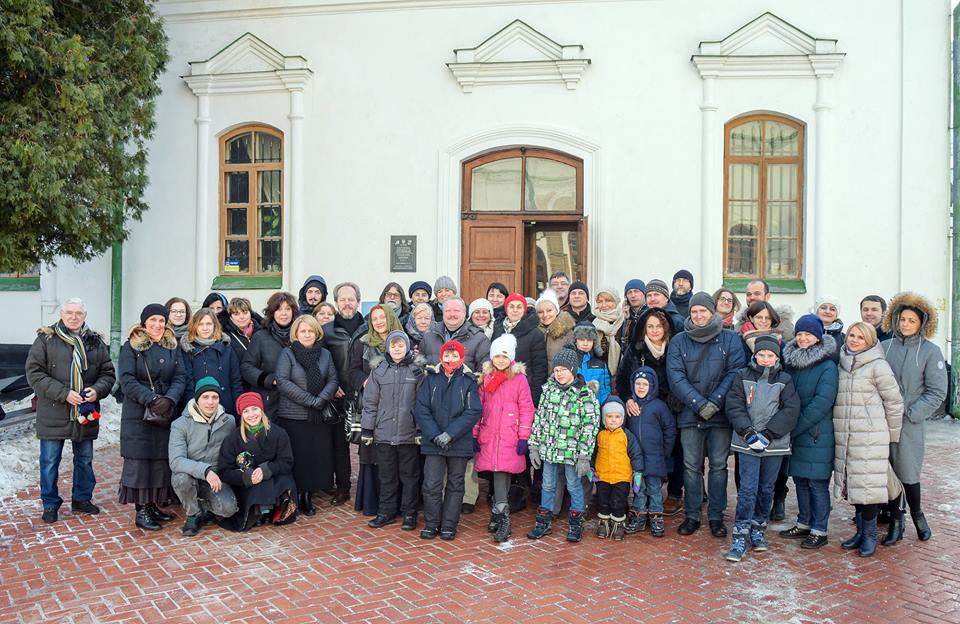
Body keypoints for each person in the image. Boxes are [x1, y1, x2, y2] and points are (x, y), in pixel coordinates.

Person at [25, 298, 116, 523]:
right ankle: (50, 504)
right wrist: (64, 393)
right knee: (49, 461)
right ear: (62, 314)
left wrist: (97, 390)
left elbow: (108, 373)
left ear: (84, 315)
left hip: (85, 412)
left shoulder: (95, 342)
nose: (73, 317)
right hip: (53, 410)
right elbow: (34, 374)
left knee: (84, 459)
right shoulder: (46, 339)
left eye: (78, 313)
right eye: (69, 312)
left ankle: (82, 499)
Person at [667, 292, 746, 538]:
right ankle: (692, 514)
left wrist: (715, 402)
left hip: (720, 416)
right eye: (694, 311)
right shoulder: (679, 341)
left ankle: (715, 515)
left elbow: (735, 372)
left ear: (712, 312)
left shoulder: (730, 339)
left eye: (703, 311)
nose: (698, 315)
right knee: (691, 466)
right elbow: (676, 376)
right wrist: (699, 403)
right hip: (691, 413)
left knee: (719, 466)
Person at [723, 335, 800, 562]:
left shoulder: (785, 380)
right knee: (747, 488)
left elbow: (790, 410)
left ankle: (758, 528)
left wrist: (768, 434)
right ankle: (740, 533)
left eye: (770, 355)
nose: (766, 359)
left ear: (777, 357)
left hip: (773, 445)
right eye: (762, 354)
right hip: (747, 443)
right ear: (755, 355)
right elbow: (734, 405)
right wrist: (747, 432)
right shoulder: (742, 376)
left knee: (766, 488)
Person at [881, 292, 947, 543]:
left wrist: (912, 413)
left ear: (922, 324)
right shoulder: (885, 347)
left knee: (908, 472)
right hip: (884, 420)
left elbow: (937, 390)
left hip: (909, 422)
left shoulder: (930, 351)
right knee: (889, 472)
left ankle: (917, 513)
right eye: (902, 319)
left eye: (912, 320)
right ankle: (897, 520)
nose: (905, 324)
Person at [834, 321, 904, 557]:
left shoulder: (878, 366)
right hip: (847, 433)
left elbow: (894, 402)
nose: (854, 340)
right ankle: (861, 532)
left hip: (871, 435)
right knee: (854, 483)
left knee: (868, 487)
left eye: (860, 337)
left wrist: (891, 437)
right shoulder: (842, 363)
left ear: (870, 341)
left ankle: (870, 534)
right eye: (852, 335)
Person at [117, 303, 187, 530]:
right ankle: (141, 510)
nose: (157, 325)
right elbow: (127, 380)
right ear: (144, 322)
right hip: (139, 413)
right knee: (141, 463)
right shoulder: (131, 347)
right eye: (153, 320)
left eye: (161, 321)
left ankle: (154, 504)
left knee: (160, 462)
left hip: (165, 412)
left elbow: (180, 377)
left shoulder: (172, 346)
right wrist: (151, 399)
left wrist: (170, 399)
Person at [527, 348, 600, 543]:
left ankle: (576, 522)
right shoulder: (548, 390)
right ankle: (544, 521)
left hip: (572, 452)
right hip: (550, 449)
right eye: (556, 369)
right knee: (548, 485)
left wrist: (584, 455)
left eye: (563, 370)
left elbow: (590, 427)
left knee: (574, 485)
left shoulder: (584, 394)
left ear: (573, 370)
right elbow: (540, 419)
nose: (559, 374)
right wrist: (534, 445)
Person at [617, 307, 684, 516]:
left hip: (669, 408)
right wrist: (628, 398)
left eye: (658, 326)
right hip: (642, 410)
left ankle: (672, 494)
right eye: (650, 327)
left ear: (666, 328)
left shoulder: (674, 348)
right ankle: (641, 499)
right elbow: (622, 377)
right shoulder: (636, 350)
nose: (654, 331)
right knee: (642, 451)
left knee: (673, 449)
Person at [779, 314, 838, 550]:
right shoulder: (791, 363)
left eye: (808, 334)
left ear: (818, 337)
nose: (803, 338)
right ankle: (804, 522)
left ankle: (819, 529)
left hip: (815, 433)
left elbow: (822, 402)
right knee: (800, 481)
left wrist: (794, 426)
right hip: (796, 432)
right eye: (800, 333)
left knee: (816, 483)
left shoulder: (827, 366)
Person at [415, 340, 481, 540]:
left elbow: (473, 411)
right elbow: (421, 409)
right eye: (447, 355)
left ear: (461, 358)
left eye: (454, 356)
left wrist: (450, 433)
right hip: (433, 442)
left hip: (458, 442)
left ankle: (449, 524)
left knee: (455, 484)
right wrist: (435, 434)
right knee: (432, 484)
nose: (450, 359)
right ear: (441, 356)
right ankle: (432, 522)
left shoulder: (468, 382)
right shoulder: (430, 380)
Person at [361, 330, 426, 531]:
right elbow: (370, 402)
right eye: (393, 345)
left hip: (408, 434)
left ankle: (409, 514)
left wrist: (420, 429)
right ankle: (386, 512)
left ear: (407, 347)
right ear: (388, 348)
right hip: (384, 433)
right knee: (387, 476)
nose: (397, 349)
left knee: (409, 476)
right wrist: (368, 429)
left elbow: (422, 404)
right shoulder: (379, 371)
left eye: (401, 345)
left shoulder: (417, 371)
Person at [275, 314, 339, 515]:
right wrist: (311, 401)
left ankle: (309, 494)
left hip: (319, 415)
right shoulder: (288, 354)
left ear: (317, 333)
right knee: (299, 457)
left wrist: (321, 399)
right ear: (296, 333)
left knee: (316, 457)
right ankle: (298, 494)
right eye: (303, 331)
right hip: (294, 415)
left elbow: (333, 379)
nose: (307, 334)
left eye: (310, 330)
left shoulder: (325, 355)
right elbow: (283, 381)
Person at [474, 334, 535, 542]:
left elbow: (526, 409)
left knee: (502, 474)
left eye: (505, 356)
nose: (501, 360)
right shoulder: (486, 379)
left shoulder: (519, 380)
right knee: (498, 474)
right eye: (497, 356)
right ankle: (498, 512)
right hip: (490, 434)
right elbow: (478, 408)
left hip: (509, 435)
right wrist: (475, 433)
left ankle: (503, 518)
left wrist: (523, 437)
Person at [349, 304, 405, 515]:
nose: (379, 322)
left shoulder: (403, 341)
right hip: (372, 406)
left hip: (397, 408)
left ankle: (396, 504)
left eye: (383, 317)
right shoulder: (363, 344)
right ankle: (374, 502)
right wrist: (366, 382)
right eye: (375, 319)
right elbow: (352, 371)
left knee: (396, 453)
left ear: (390, 318)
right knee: (372, 452)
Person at [168, 377, 238, 536]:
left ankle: (205, 505)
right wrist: (205, 471)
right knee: (181, 479)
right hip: (190, 475)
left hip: (216, 479)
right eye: (205, 397)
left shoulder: (229, 421)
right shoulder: (180, 424)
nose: (210, 402)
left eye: (215, 397)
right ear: (197, 399)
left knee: (228, 509)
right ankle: (193, 514)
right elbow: (176, 461)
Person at [218, 392, 297, 531]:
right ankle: (258, 513)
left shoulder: (279, 433)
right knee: (256, 488)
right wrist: (246, 476)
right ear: (241, 415)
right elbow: (224, 471)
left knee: (285, 482)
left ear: (261, 410)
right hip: (248, 483)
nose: (251, 414)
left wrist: (267, 470)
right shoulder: (232, 439)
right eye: (246, 411)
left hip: (273, 477)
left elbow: (287, 462)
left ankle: (274, 511)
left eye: (255, 409)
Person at [319, 282, 365, 503]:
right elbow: (320, 362)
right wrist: (331, 384)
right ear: (336, 303)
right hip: (336, 395)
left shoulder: (368, 328)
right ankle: (343, 487)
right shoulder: (326, 331)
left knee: (367, 442)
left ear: (358, 301)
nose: (347, 303)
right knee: (339, 444)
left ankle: (367, 488)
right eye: (343, 299)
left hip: (363, 395)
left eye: (351, 299)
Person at [624, 368, 676, 537]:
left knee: (654, 490)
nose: (641, 387)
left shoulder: (659, 406)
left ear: (652, 386)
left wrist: (665, 452)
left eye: (645, 384)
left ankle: (655, 517)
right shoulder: (630, 406)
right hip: (636, 461)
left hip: (655, 459)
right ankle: (639, 517)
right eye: (638, 384)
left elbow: (669, 429)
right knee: (639, 489)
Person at [592, 397, 643, 541]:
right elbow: (593, 453)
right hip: (602, 476)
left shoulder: (627, 436)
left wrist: (637, 472)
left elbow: (636, 454)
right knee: (603, 500)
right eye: (609, 417)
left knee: (618, 501)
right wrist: (591, 468)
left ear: (623, 418)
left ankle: (618, 524)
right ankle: (604, 523)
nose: (613, 420)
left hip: (621, 477)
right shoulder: (600, 435)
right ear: (604, 418)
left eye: (617, 416)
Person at [180, 308, 243, 420]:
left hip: (225, 407)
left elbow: (236, 382)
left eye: (209, 324)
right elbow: (188, 384)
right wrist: (191, 409)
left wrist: (238, 409)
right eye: (201, 324)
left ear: (215, 325)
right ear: (195, 326)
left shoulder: (227, 348)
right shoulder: (188, 349)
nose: (205, 328)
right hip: (198, 409)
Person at [241, 291, 296, 420]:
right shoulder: (261, 336)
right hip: (269, 401)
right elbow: (246, 367)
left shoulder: (299, 335)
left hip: (295, 403)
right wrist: (271, 380)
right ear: (272, 313)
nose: (283, 313)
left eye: (288, 309)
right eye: (279, 309)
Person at [420, 297, 491, 371]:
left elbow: (483, 375)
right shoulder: (429, 336)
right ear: (443, 313)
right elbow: (420, 368)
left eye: (456, 311)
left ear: (464, 313)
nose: (452, 314)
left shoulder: (480, 339)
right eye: (448, 311)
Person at [571, 323, 611, 404]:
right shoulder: (569, 361)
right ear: (575, 341)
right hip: (573, 409)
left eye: (589, 340)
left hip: (595, 409)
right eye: (581, 339)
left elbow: (605, 391)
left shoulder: (601, 364)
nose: (585, 343)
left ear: (594, 342)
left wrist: (603, 407)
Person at [219, 297, 263, 367]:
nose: (242, 317)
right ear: (230, 317)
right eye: (236, 314)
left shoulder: (262, 331)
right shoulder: (224, 336)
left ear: (250, 313)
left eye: (245, 313)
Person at [536, 288, 576, 365]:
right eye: (540, 312)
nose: (545, 315)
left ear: (556, 311)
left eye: (549, 310)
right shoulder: (534, 332)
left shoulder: (567, 333)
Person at [592, 287, 623, 377]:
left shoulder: (625, 321)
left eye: (608, 300)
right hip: (599, 373)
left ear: (616, 301)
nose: (604, 305)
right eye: (600, 301)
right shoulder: (593, 322)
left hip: (622, 372)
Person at [618, 279, 647, 350]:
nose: (633, 295)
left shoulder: (650, 314)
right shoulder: (622, 315)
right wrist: (624, 319)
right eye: (629, 292)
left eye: (636, 291)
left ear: (644, 294)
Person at [814, 296, 844, 361]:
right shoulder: (807, 333)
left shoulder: (843, 338)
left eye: (832, 309)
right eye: (823, 308)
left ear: (836, 314)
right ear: (817, 311)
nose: (827, 312)